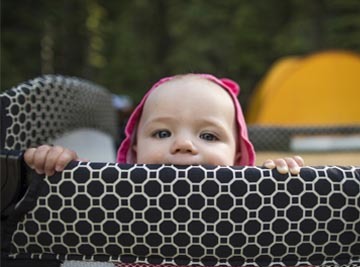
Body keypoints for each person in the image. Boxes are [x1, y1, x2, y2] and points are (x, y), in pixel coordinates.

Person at [24, 73, 304, 176]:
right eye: (162, 133)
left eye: (208, 135)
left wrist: (284, 183)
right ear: (134, 148)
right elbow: (81, 200)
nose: (183, 144)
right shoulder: (116, 192)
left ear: (239, 156)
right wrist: (62, 165)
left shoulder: (255, 203)